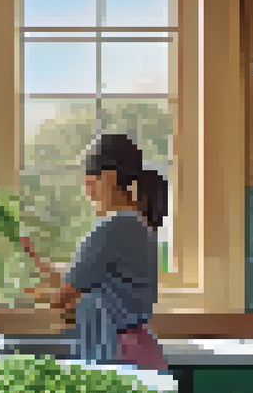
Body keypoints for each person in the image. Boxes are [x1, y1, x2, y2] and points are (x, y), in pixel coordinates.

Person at [37, 133, 170, 371]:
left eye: (90, 183)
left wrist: (38, 297)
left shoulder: (112, 227)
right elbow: (91, 276)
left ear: (109, 177)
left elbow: (63, 297)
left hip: (115, 352)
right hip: (140, 348)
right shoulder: (139, 225)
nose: (88, 193)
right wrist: (40, 264)